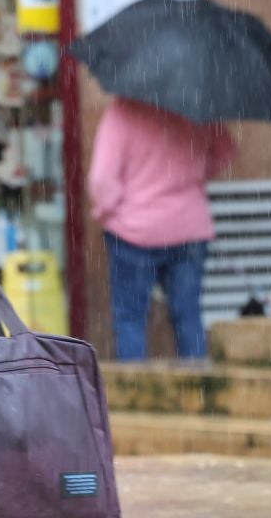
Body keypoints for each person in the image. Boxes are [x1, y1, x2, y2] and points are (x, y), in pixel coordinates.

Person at [86, 96, 235, 361]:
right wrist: (194, 174)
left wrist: (106, 211)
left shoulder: (123, 112)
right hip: (189, 228)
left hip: (134, 230)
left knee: (130, 318)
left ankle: (135, 397)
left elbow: (102, 179)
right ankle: (199, 394)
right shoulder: (198, 107)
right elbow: (225, 152)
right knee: (188, 315)